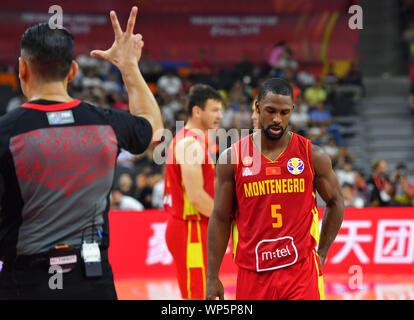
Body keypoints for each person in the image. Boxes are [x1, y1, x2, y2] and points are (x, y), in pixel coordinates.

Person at [0, 7, 163, 299]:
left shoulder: (6, 132)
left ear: (22, 69)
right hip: (93, 281)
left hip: (26, 284)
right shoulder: (108, 124)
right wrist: (128, 66)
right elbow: (154, 129)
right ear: (73, 71)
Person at [206, 78, 344, 300]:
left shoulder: (312, 155)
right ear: (258, 107)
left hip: (300, 271)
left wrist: (322, 252)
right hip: (253, 274)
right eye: (270, 111)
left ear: (292, 111)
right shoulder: (232, 158)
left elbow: (336, 201)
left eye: (284, 112)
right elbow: (221, 218)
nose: (277, 119)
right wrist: (212, 276)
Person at [163, 84, 222, 299]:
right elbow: (197, 197)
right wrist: (228, 219)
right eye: (215, 110)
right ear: (197, 112)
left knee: (205, 292)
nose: (220, 115)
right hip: (191, 230)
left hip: (195, 228)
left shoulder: (193, 141)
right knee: (197, 295)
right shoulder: (190, 144)